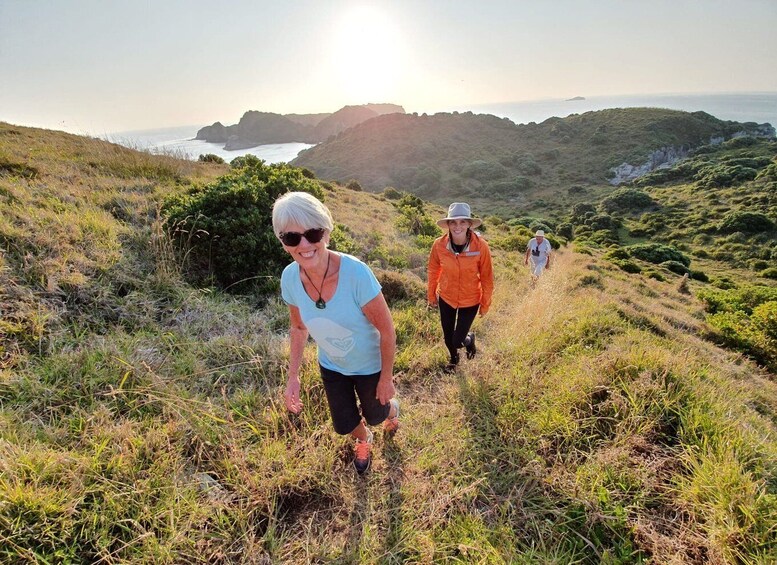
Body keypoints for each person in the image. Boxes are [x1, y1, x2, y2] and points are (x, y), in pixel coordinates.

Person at [273, 191, 399, 475]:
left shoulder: (356, 274)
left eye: (313, 233)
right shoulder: (290, 278)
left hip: (369, 365)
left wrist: (386, 378)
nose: (304, 245)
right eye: (292, 238)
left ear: (326, 232)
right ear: (283, 243)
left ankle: (392, 410)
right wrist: (293, 377)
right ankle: (363, 440)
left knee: (377, 414)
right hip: (332, 365)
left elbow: (387, 329)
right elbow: (298, 327)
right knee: (344, 423)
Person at [427, 202, 494, 371]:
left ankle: (469, 339)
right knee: (448, 337)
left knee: (458, 340)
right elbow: (434, 270)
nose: (458, 226)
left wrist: (485, 303)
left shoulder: (481, 246)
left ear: (469, 224)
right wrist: (431, 294)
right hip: (446, 296)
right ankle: (454, 359)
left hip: (470, 299)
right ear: (448, 225)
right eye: (453, 222)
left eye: (462, 222)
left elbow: (487, 277)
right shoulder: (439, 245)